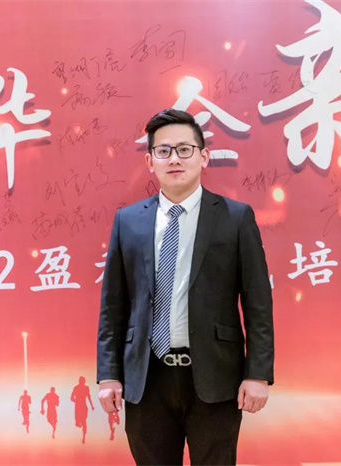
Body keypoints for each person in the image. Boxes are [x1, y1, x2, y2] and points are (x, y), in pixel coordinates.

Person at [96, 109, 274, 465]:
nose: (174, 159)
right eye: (163, 151)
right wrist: (108, 375)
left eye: (184, 149)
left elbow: (258, 302)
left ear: (203, 156)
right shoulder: (128, 221)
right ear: (150, 161)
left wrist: (258, 374)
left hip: (215, 375)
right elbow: (113, 305)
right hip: (146, 378)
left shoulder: (235, 217)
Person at [70, 376, 95, 444]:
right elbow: (71, 398)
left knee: (82, 421)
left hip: (80, 406)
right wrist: (91, 406)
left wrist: (92, 405)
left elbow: (71, 398)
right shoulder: (81, 388)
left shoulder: (79, 388)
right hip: (81, 406)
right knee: (82, 422)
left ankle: (83, 436)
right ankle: (83, 435)